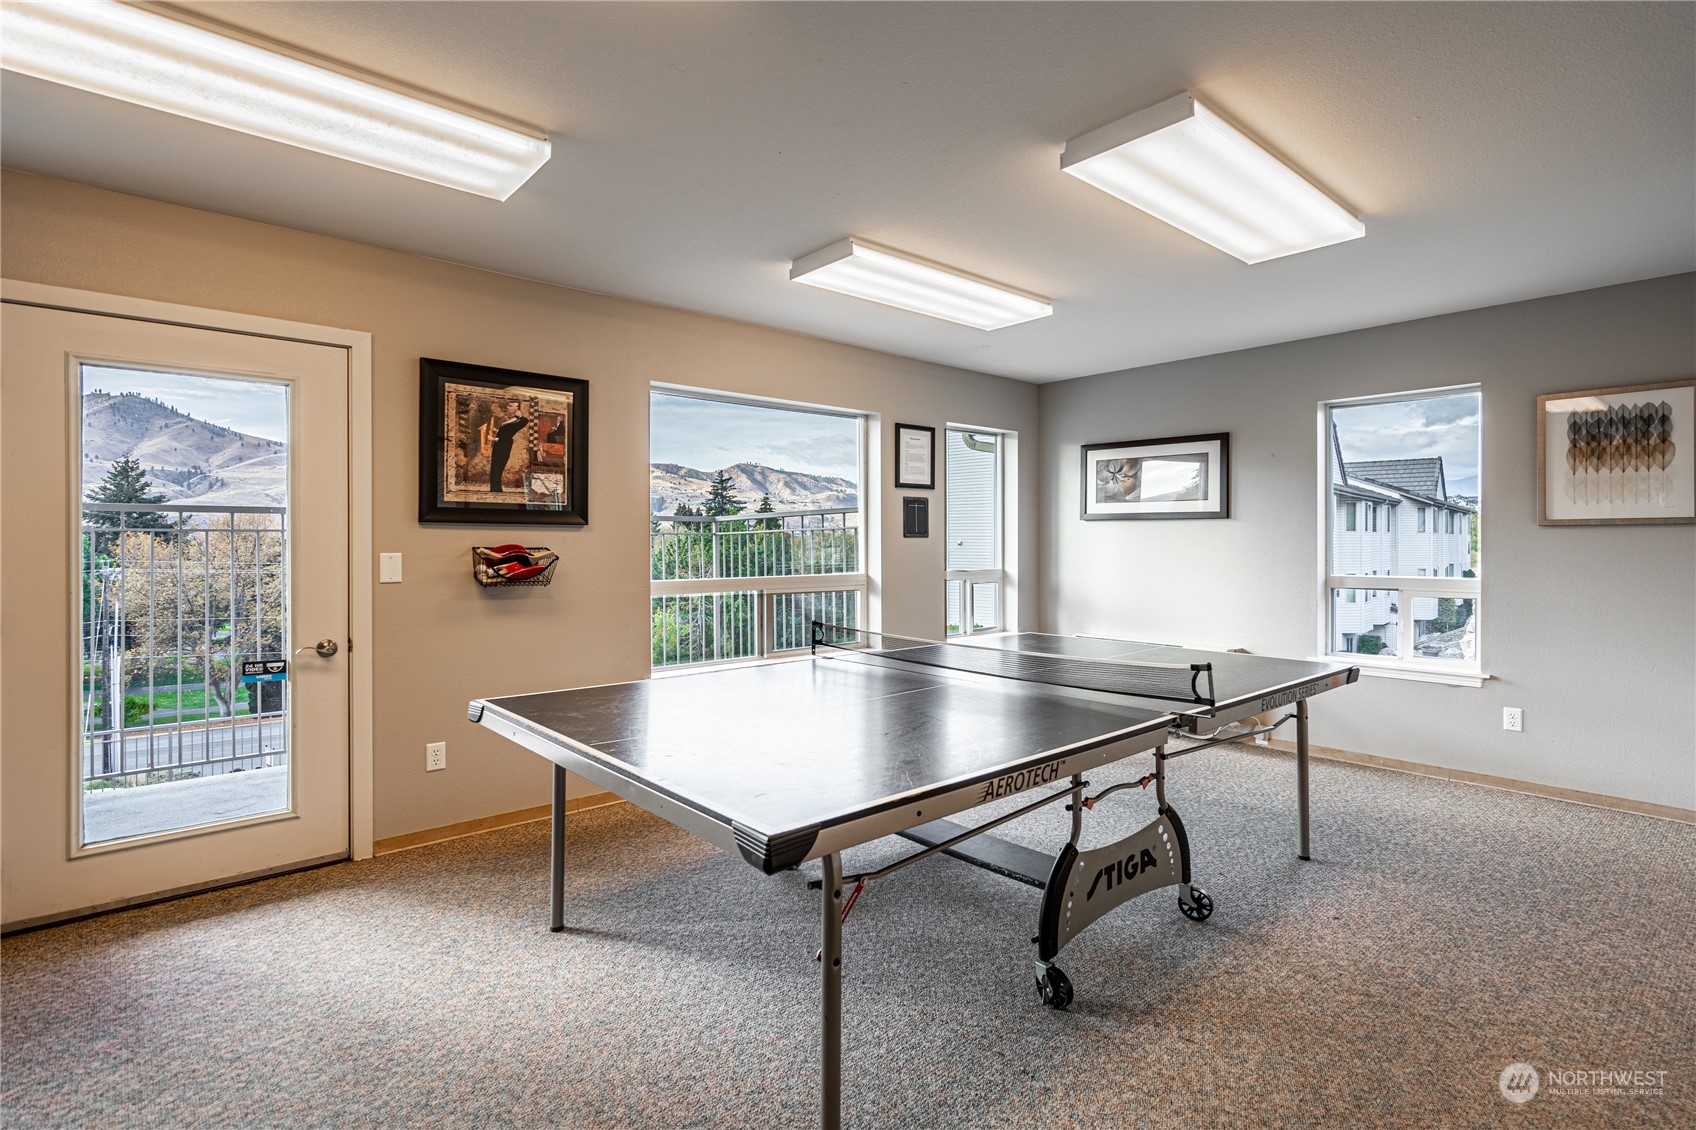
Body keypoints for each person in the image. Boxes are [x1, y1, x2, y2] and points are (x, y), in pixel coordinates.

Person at [486, 400, 529, 492]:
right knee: (495, 468)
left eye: (510, 406)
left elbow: (507, 437)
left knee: (497, 469)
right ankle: (495, 489)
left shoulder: (521, 421)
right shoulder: (514, 419)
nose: (507, 407)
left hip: (503, 447)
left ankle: (496, 490)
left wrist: (493, 439)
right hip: (500, 446)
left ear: (517, 408)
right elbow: (506, 432)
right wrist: (496, 430)